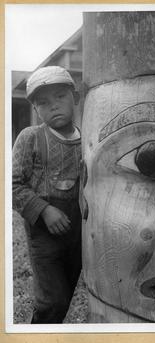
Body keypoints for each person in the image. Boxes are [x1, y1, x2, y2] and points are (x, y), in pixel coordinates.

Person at [12, 66, 82, 324]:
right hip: (44, 232)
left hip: (78, 233)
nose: (53, 106)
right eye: (43, 102)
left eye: (60, 97)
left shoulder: (87, 140)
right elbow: (13, 185)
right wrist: (44, 210)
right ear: (35, 110)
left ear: (75, 98)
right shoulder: (30, 137)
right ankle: (35, 341)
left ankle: (52, 340)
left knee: (68, 291)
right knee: (52, 300)